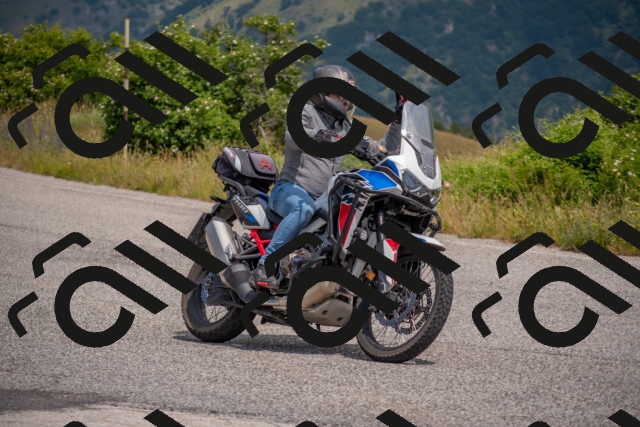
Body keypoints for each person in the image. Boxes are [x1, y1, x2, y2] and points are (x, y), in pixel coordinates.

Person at [249, 65, 403, 289]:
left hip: (324, 198)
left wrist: (398, 120)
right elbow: (294, 136)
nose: (347, 100)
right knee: (303, 209)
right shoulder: (306, 112)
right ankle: (265, 266)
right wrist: (321, 136)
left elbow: (381, 149)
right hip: (291, 189)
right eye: (341, 94)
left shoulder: (345, 127)